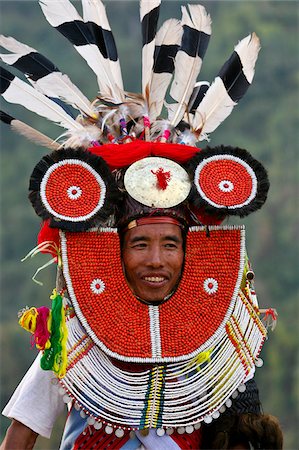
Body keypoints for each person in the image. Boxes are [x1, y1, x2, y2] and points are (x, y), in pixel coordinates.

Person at [0, 0, 283, 448]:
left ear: (187, 251)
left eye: (170, 244)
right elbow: (24, 428)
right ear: (118, 251)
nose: (156, 259)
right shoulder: (77, 336)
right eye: (140, 244)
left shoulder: (223, 338)